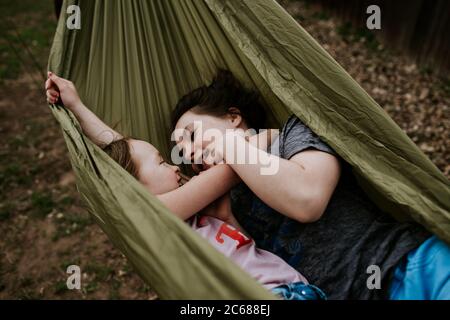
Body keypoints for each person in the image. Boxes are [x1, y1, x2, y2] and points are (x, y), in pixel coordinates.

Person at [170, 69, 450, 300]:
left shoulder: (293, 133)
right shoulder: (229, 201)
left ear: (233, 117)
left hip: (407, 270)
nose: (191, 153)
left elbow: (308, 200)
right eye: (185, 154)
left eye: (192, 135)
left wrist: (231, 145)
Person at [44, 71, 326, 300]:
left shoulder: (193, 206)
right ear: (135, 190)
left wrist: (77, 107)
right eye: (162, 161)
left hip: (293, 288)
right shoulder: (163, 210)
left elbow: (125, 154)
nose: (180, 161)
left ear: (233, 116)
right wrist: (260, 139)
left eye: (191, 137)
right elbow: (124, 164)